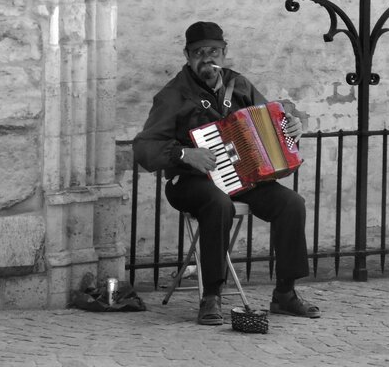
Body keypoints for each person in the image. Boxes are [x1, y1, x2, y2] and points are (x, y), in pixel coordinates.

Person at [133, 21, 321, 325]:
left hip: (242, 178)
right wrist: (184, 153)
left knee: (292, 204)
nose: (207, 59)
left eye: (214, 52)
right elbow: (144, 147)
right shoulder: (173, 95)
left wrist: (293, 126)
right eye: (198, 53)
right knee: (217, 202)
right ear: (187, 55)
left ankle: (285, 294)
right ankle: (211, 297)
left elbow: (277, 117)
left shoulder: (240, 85)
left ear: (224, 52)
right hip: (190, 182)